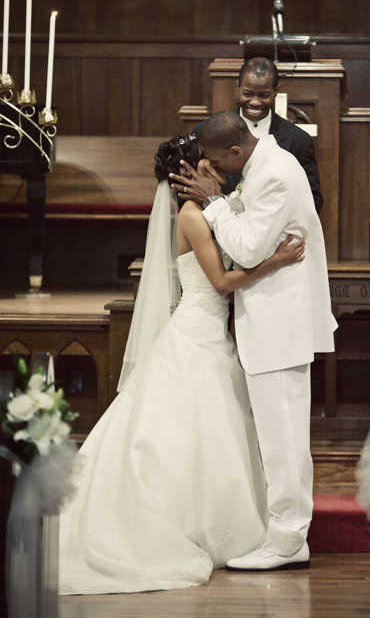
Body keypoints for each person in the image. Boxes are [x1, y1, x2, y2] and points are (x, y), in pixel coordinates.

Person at [58, 134, 305, 594]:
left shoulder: (212, 208)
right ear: (190, 174)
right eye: (207, 164)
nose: (217, 168)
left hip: (212, 334)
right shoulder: (192, 218)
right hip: (198, 330)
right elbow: (223, 280)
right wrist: (278, 259)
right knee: (188, 429)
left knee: (215, 430)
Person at [170, 111, 336, 571]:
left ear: (236, 152)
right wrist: (226, 198)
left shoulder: (276, 176)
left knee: (282, 436)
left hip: (279, 322)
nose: (211, 168)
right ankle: (287, 535)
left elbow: (245, 249)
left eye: (214, 159)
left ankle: (285, 541)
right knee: (279, 434)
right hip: (271, 318)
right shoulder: (262, 167)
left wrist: (217, 201)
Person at [196, 56, 323, 213]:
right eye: (248, 94)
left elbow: (312, 199)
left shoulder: (299, 140)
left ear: (275, 92)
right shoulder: (206, 133)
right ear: (238, 88)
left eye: (264, 95)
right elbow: (192, 187)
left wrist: (293, 230)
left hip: (274, 232)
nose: (255, 102)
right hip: (215, 227)